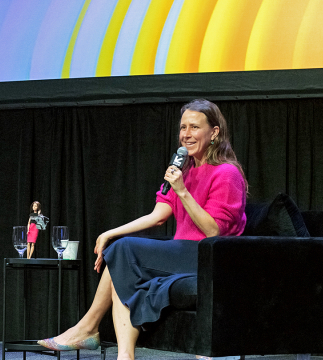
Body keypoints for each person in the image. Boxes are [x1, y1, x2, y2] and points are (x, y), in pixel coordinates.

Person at [38, 99, 247, 360]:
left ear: (214, 132)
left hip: (209, 257)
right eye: (183, 127)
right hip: (183, 254)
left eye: (195, 127)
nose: (186, 134)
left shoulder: (226, 173)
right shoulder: (184, 170)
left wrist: (182, 191)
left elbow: (213, 231)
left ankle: (88, 327)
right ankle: (124, 356)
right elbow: (158, 216)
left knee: (123, 251)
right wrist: (110, 232)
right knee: (120, 256)